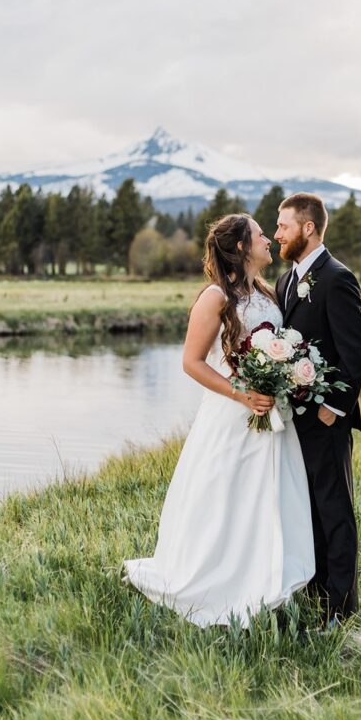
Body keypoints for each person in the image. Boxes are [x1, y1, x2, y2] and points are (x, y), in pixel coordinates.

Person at [121, 213, 315, 628]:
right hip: (233, 414)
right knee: (227, 497)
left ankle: (268, 581)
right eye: (262, 235)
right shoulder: (215, 297)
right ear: (243, 247)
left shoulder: (265, 292)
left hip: (270, 411)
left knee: (269, 497)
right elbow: (191, 362)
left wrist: (278, 377)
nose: (269, 240)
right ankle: (217, 582)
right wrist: (242, 394)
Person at [274, 193, 361, 628]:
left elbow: (355, 355)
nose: (277, 234)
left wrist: (333, 409)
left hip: (326, 419)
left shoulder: (337, 279)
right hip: (293, 420)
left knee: (334, 510)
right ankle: (315, 593)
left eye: (283, 226)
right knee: (305, 508)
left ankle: (341, 608)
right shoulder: (285, 282)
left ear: (307, 228)